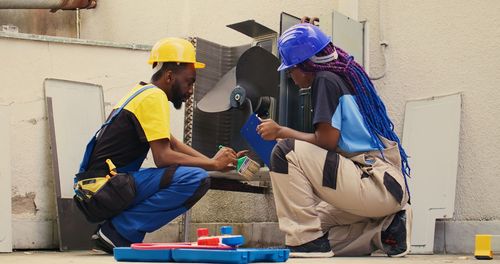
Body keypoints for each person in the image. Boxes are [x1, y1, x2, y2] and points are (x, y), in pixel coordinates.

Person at [257, 23, 412, 258]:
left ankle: (306, 243)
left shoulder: (325, 81)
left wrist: (281, 132)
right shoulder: (342, 78)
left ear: (306, 65)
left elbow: (326, 142)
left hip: (374, 182)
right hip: (384, 186)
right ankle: (386, 231)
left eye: (290, 71)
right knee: (316, 226)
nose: (290, 77)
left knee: (284, 152)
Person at [75, 38, 242, 253]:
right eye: (189, 82)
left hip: (97, 188)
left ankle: (116, 231)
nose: (191, 91)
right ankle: (118, 232)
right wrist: (212, 165)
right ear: (170, 76)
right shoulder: (155, 97)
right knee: (196, 179)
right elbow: (163, 157)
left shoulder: (142, 93)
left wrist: (213, 160)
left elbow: (172, 142)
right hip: (105, 190)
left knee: (195, 172)